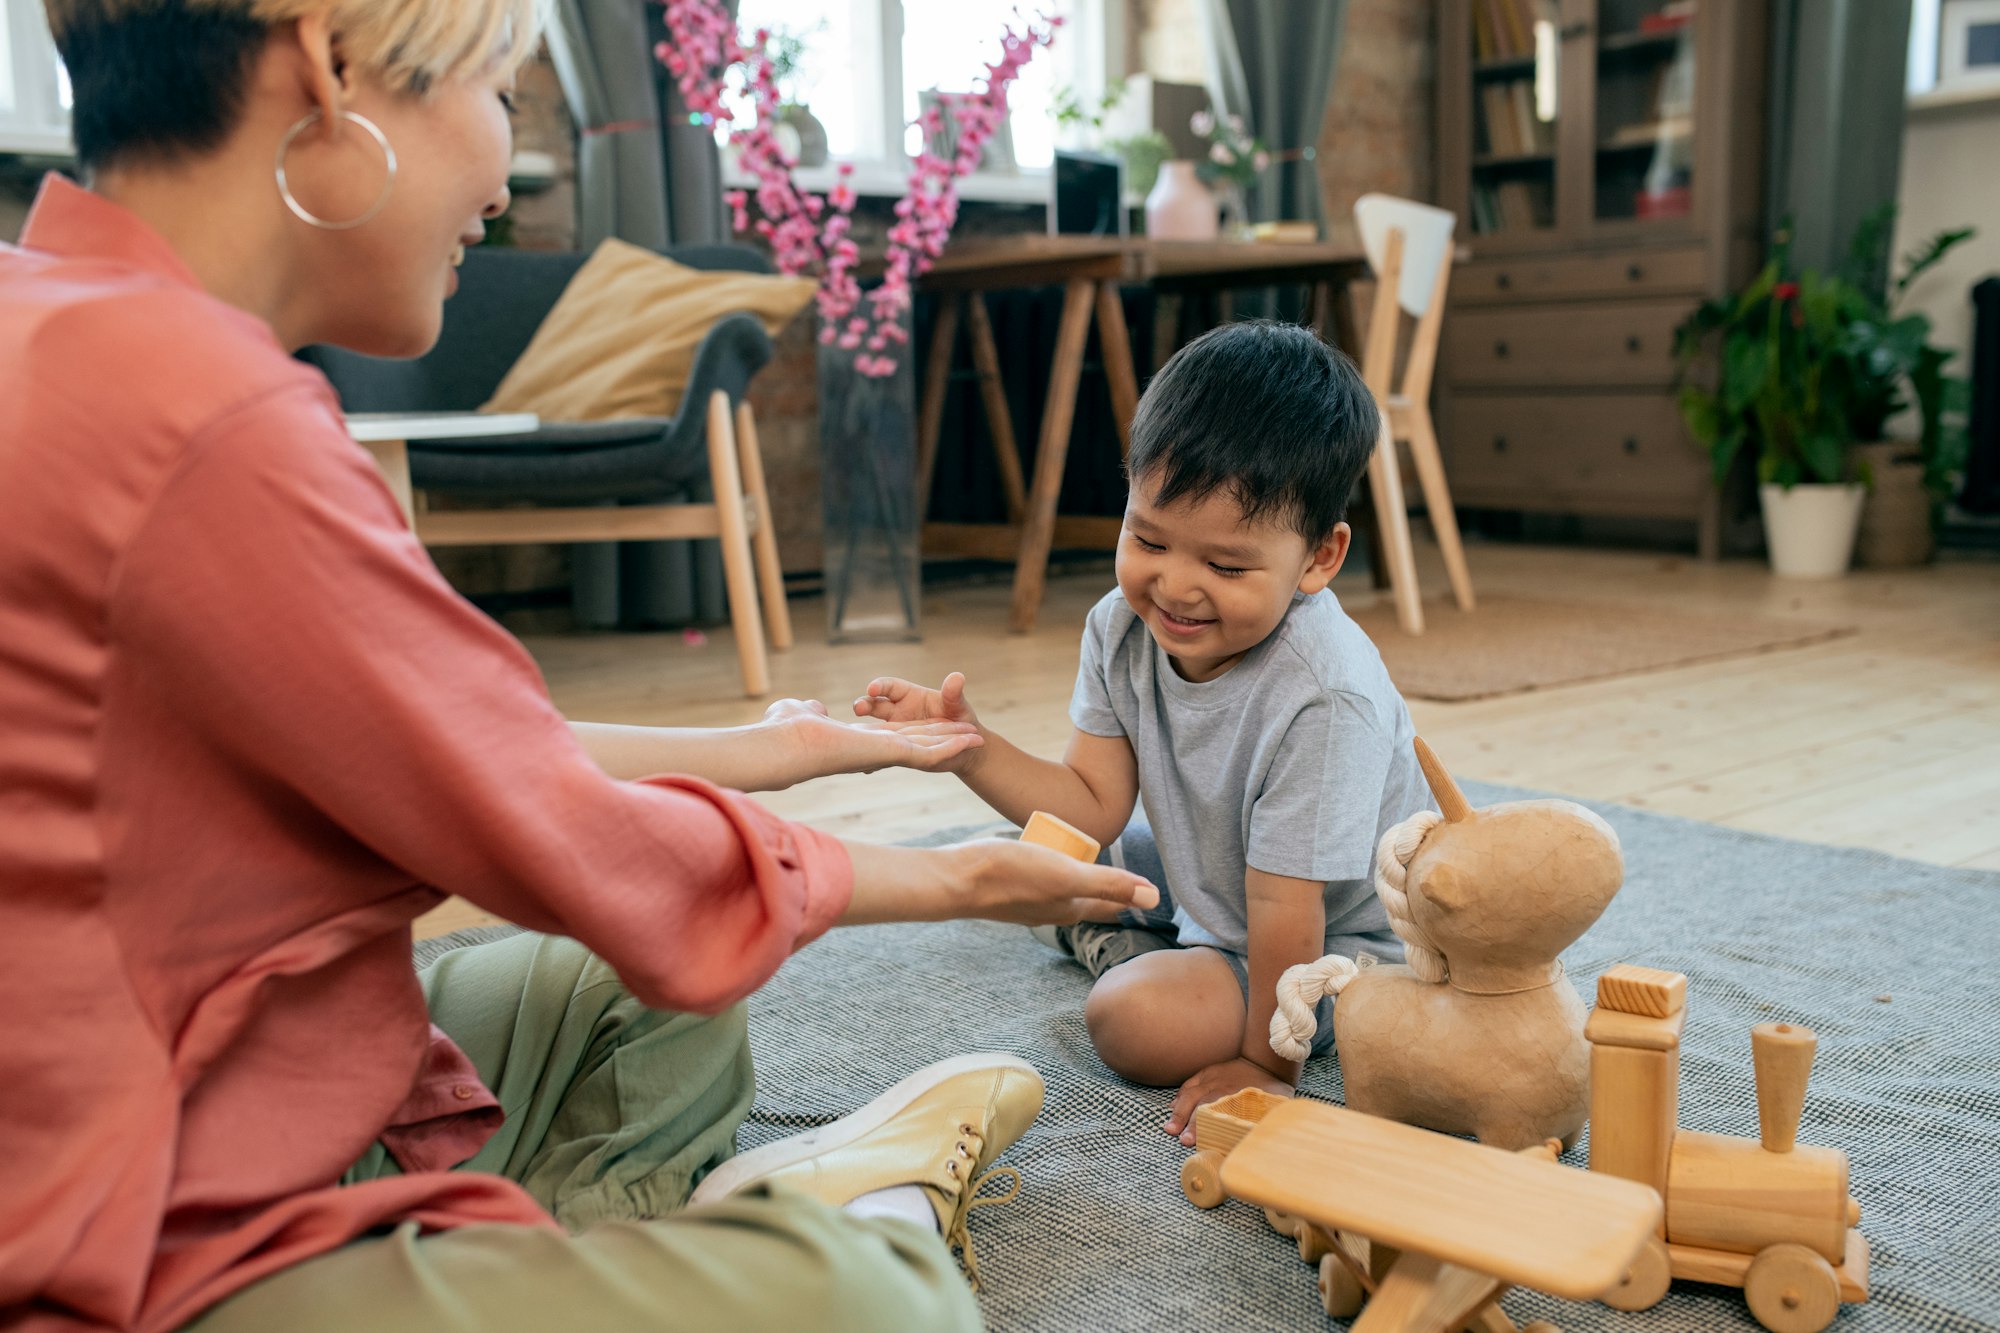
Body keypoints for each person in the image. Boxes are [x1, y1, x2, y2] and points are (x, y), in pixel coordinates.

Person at [0, 3, 1160, 1331]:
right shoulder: (199, 413)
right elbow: (568, 838)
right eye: (499, 89)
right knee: (876, 1304)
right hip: (132, 1238)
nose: (501, 174)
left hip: (233, 1076)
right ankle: (825, 1215)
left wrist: (762, 751)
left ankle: (620, 1240)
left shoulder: (53, 319)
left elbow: (435, 738)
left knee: (639, 993)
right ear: (329, 67)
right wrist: (959, 879)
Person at [856, 321, 1435, 1146]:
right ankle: (1115, 909)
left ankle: (1110, 933)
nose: (1175, 586)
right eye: (1148, 538)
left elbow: (1286, 908)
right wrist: (970, 746)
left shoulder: (1325, 693)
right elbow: (1088, 802)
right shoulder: (1122, 626)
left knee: (1130, 1018)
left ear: (1319, 558)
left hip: (1335, 944)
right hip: (1222, 871)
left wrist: (1266, 1068)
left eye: (1227, 567)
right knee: (1041, 854)